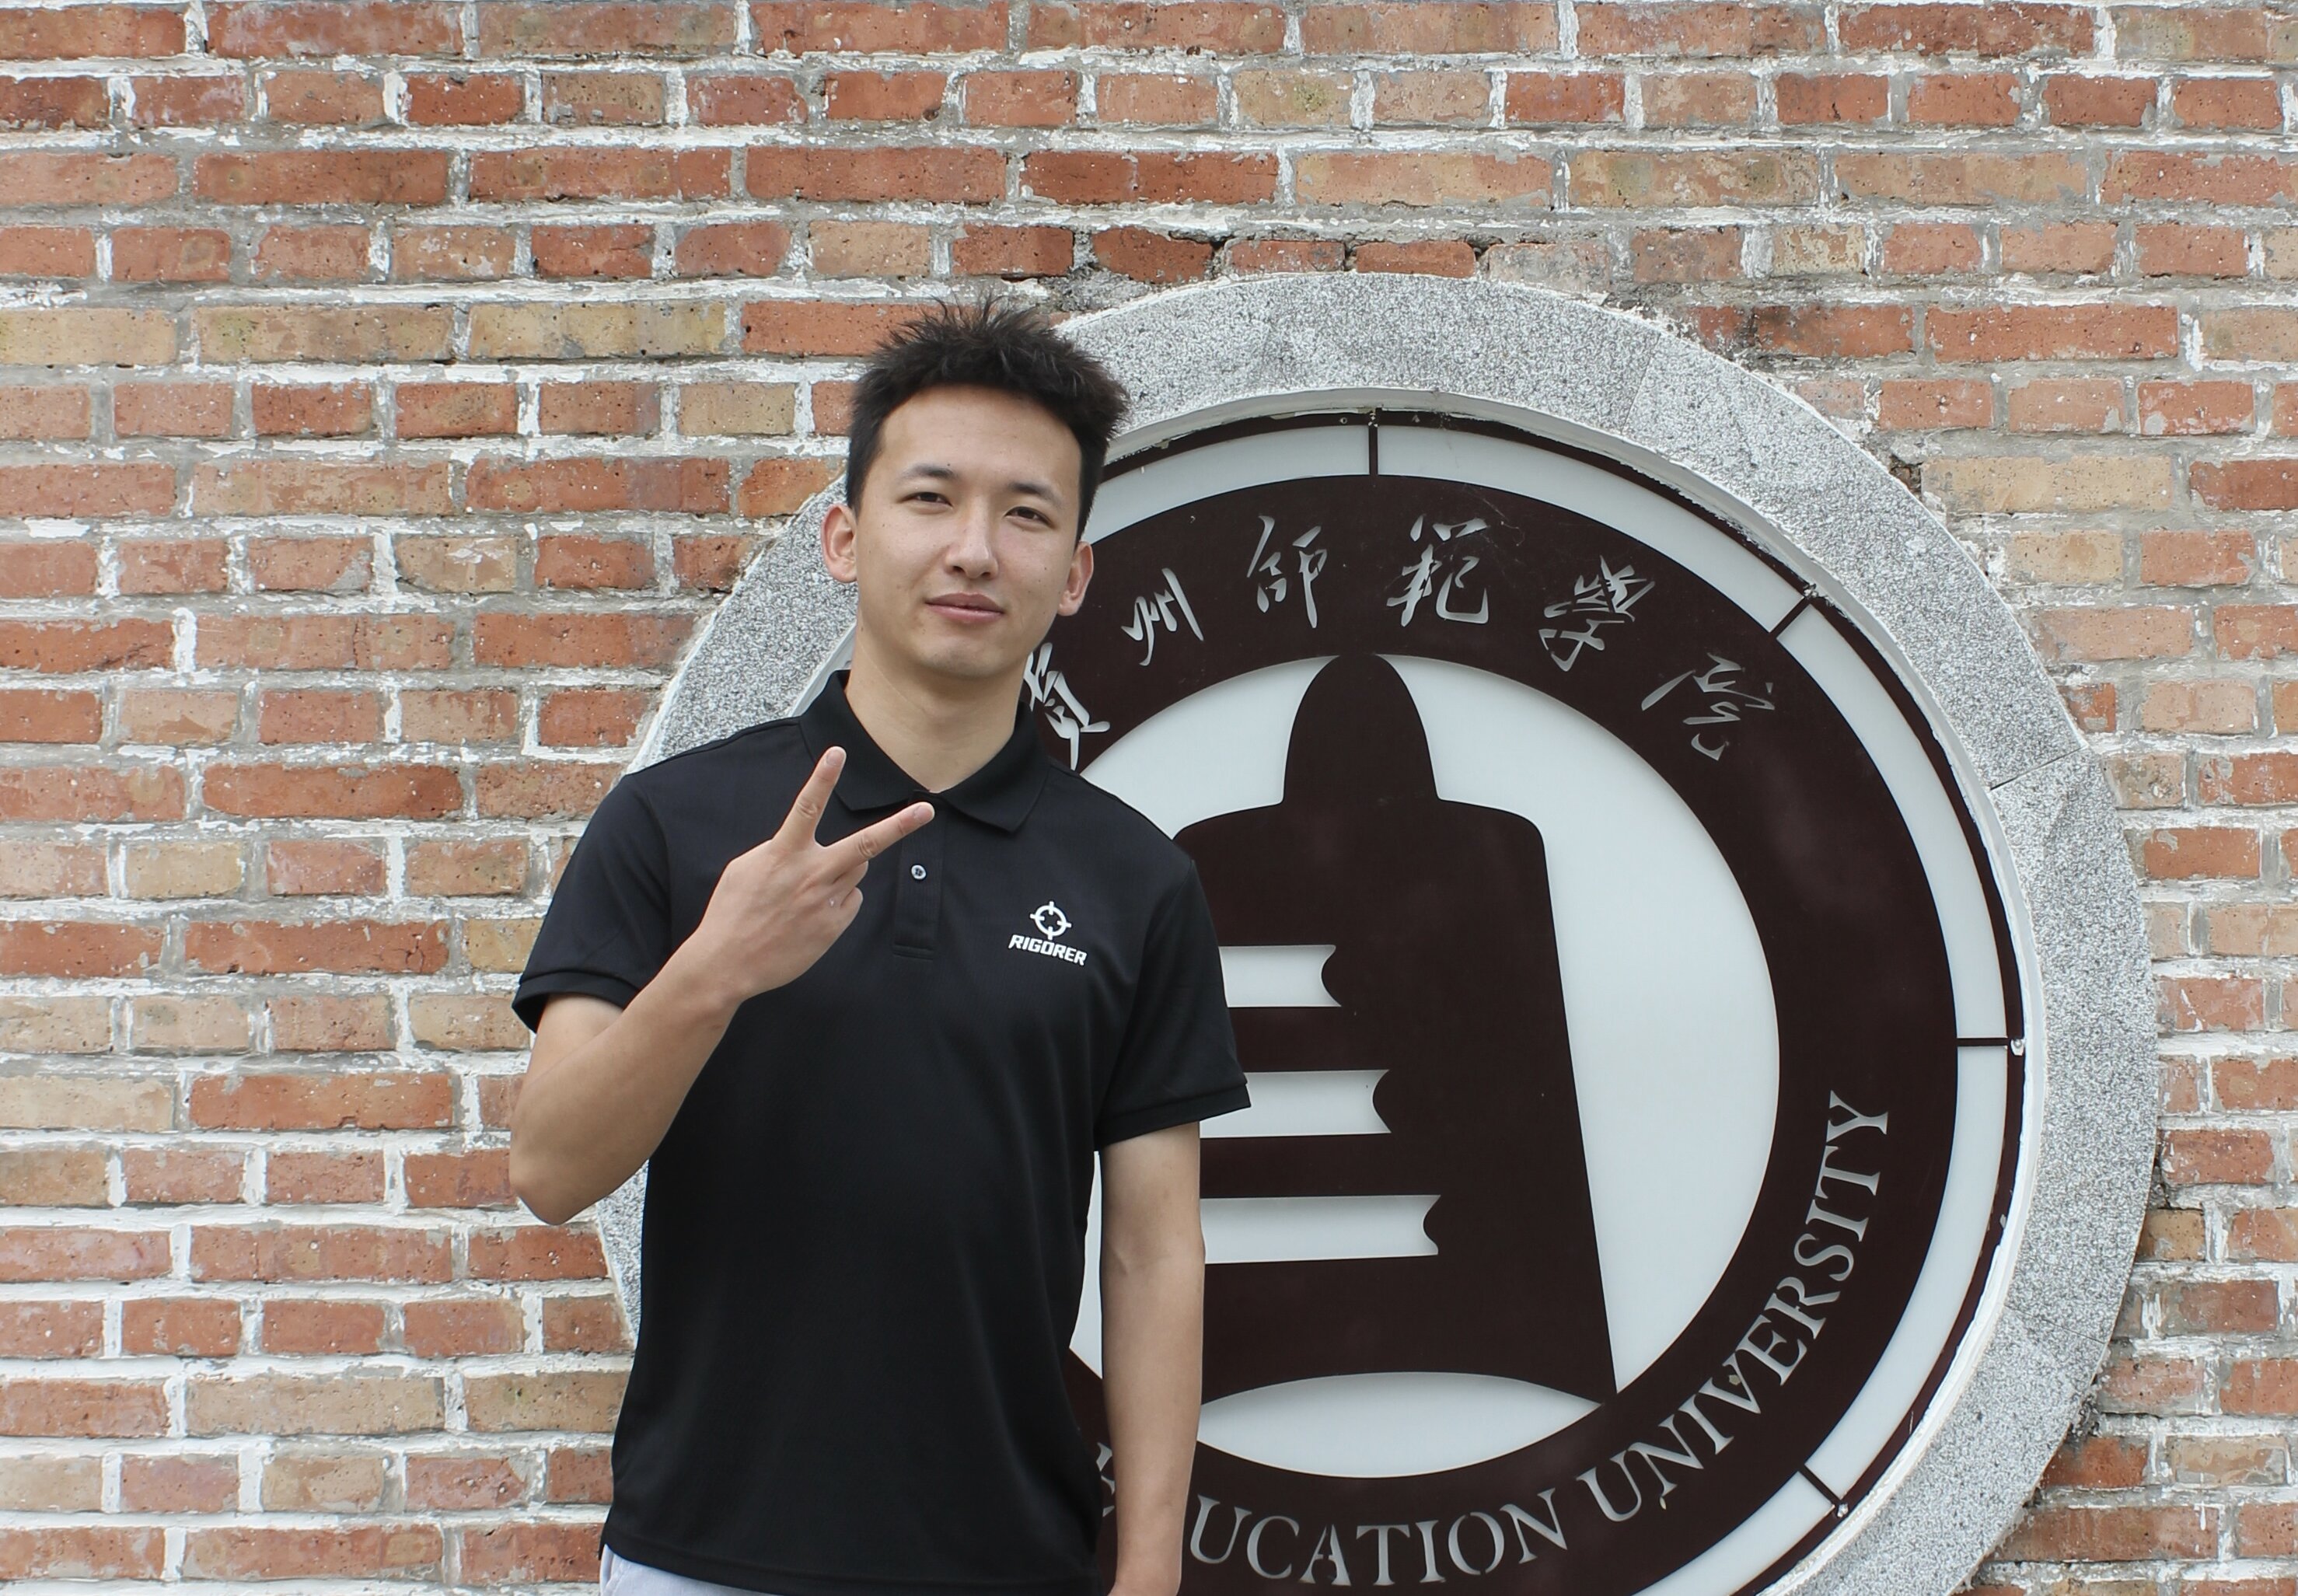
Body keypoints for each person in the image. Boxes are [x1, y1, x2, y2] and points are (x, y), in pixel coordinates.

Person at [508, 299, 1249, 1596]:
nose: (975, 550)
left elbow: (1151, 1253)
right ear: (844, 538)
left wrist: (1148, 1573)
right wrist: (717, 967)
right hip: (701, 1558)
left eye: (1027, 514)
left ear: (1076, 571)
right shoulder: (674, 825)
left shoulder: (1137, 882)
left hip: (1007, 1562)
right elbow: (550, 1167)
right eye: (930, 499)